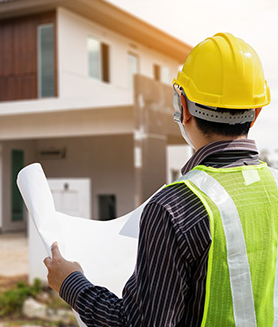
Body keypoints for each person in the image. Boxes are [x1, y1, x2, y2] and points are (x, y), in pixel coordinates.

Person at [44, 32, 277, 326]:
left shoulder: (176, 208)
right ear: (255, 113)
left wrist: (71, 283)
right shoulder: (275, 186)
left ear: (183, 106)